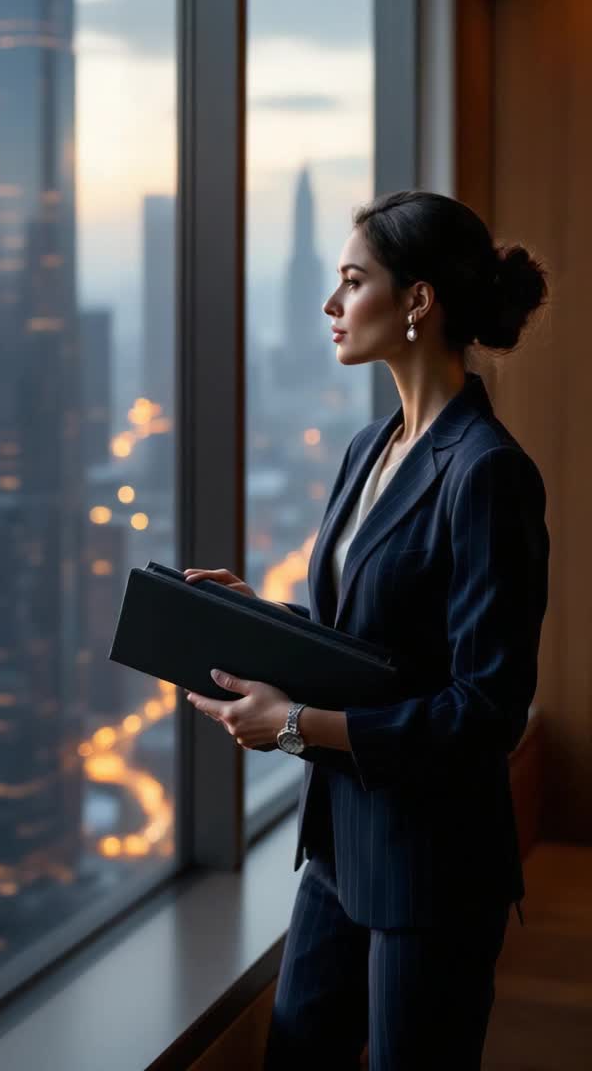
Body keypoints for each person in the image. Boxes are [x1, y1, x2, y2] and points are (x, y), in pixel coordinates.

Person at [183, 190, 550, 1070]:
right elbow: (370, 637)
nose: (331, 304)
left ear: (418, 301)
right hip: (341, 841)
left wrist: (297, 727)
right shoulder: (369, 447)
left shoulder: (488, 475)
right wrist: (262, 618)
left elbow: (487, 710)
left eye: (353, 281)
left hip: (432, 865)